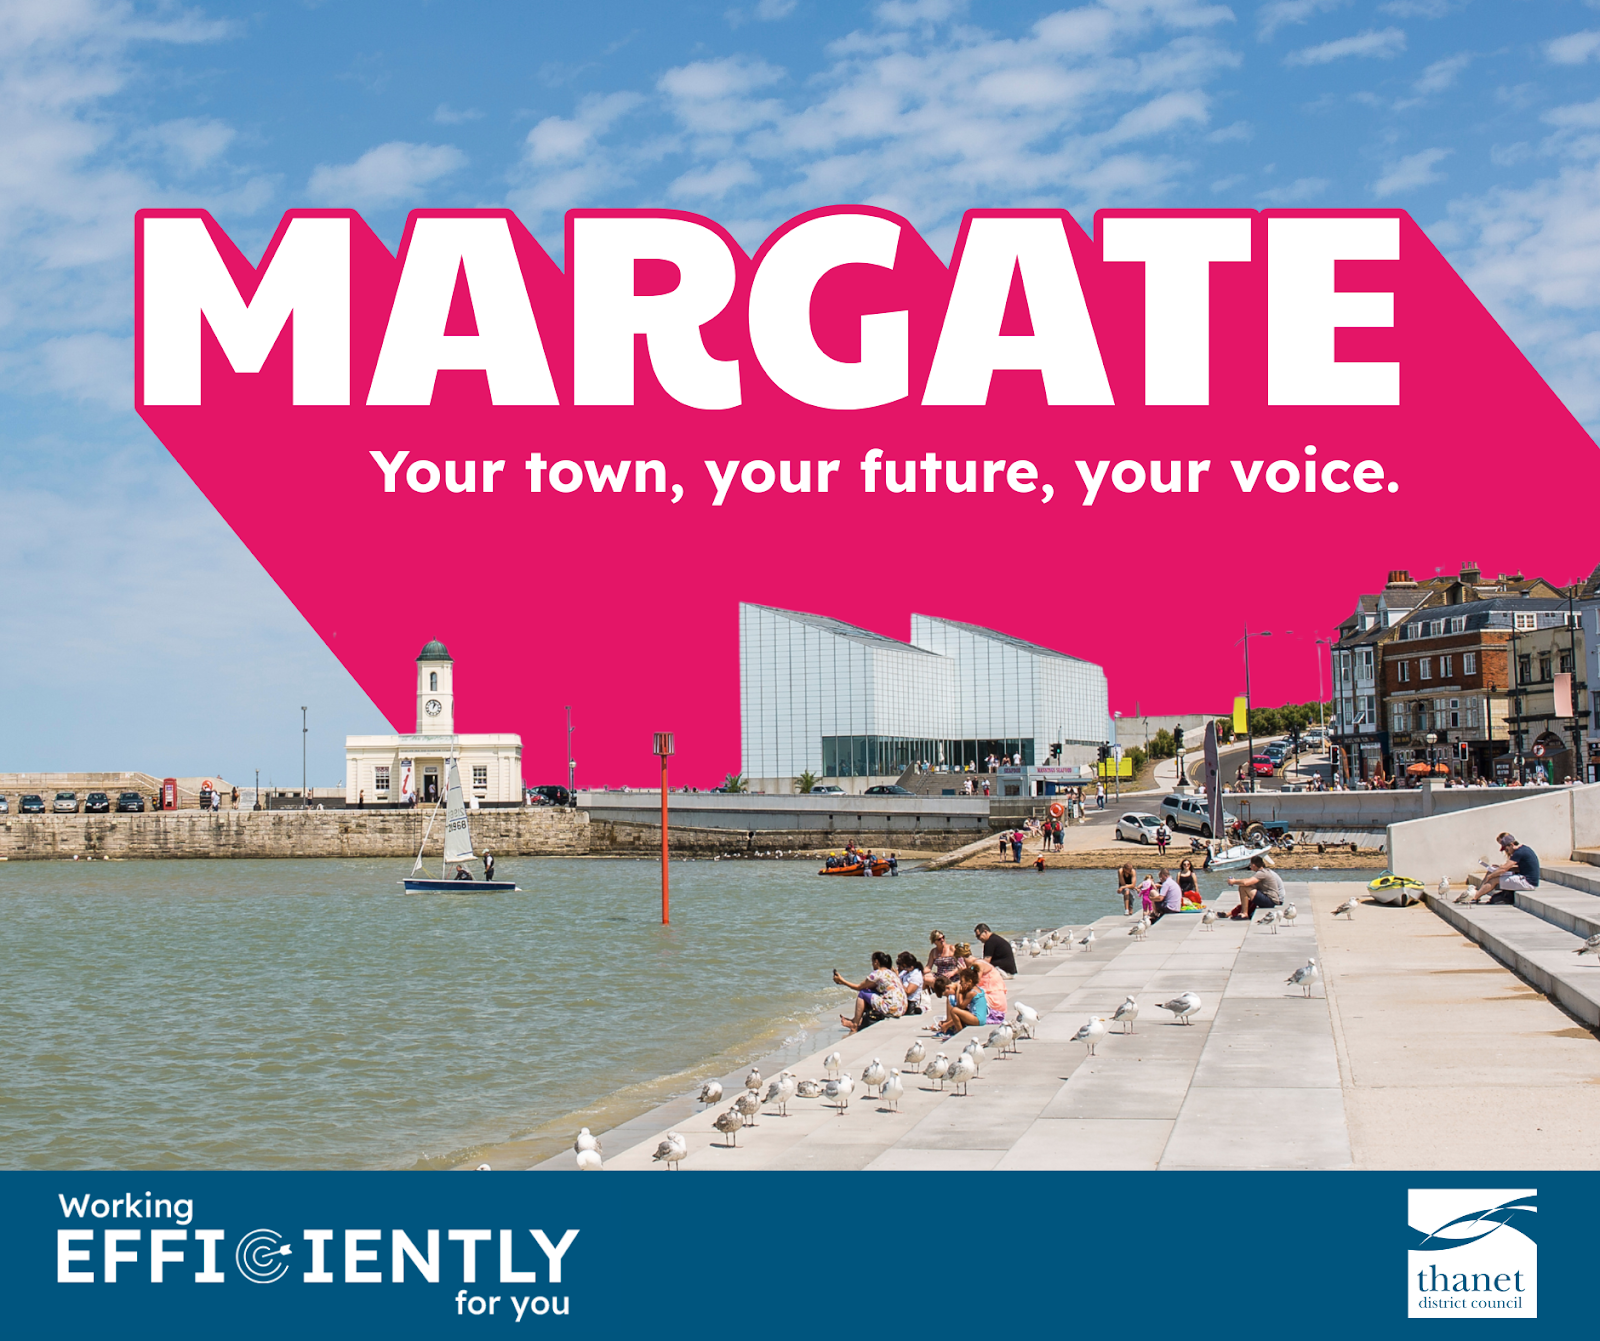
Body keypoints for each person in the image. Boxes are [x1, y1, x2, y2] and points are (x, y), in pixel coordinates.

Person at [834, 952, 907, 1032]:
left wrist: (842, 981)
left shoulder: (877, 973)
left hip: (892, 1008)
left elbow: (859, 987)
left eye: (872, 962)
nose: (872, 965)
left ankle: (854, 1024)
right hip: (902, 1008)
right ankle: (858, 1020)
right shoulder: (891, 973)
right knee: (869, 992)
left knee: (862, 993)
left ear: (876, 962)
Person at [1475, 832, 1540, 904]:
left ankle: (1474, 897)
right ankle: (1477, 895)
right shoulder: (1524, 849)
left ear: (1511, 845)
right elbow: (1514, 868)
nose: (1507, 852)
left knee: (1493, 880)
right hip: (1527, 880)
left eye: (1506, 849)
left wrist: (1491, 876)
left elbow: (1504, 869)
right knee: (1492, 873)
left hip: (1528, 882)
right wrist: (1498, 869)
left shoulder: (1519, 852)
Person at [933, 965, 989, 1035]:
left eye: (961, 981)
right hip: (980, 1018)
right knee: (959, 1011)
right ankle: (957, 1029)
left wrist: (959, 991)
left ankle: (960, 1033)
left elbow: (961, 1006)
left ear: (969, 982)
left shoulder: (971, 993)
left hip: (978, 1019)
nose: (960, 983)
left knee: (954, 1011)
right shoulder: (976, 989)